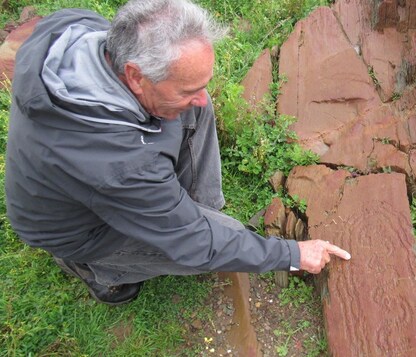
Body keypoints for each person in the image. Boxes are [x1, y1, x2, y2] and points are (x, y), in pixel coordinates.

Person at [5, 0, 350, 306]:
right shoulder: (121, 166)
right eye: (189, 87)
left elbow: (182, 107)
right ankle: (98, 271)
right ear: (136, 76)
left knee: (193, 109)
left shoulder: (77, 30)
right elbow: (193, 241)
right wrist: (292, 253)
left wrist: (194, 219)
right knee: (205, 242)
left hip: (102, 177)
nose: (202, 95)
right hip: (83, 230)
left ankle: (191, 210)